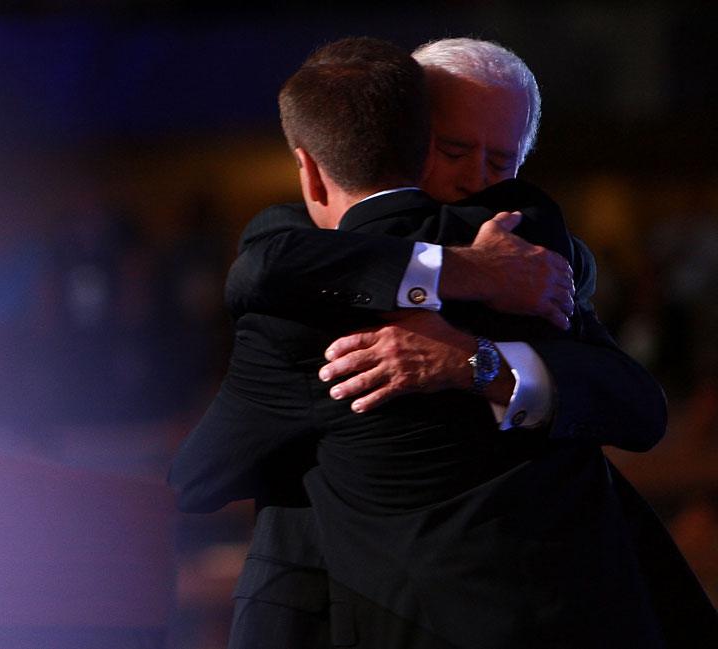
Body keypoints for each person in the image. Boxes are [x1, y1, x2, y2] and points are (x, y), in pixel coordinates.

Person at [170, 37, 717, 647]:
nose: (474, 179)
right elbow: (265, 269)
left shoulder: (531, 253)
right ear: (401, 134)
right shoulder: (302, 254)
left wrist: (477, 363)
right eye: (453, 149)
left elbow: (637, 406)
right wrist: (464, 271)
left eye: (501, 161)